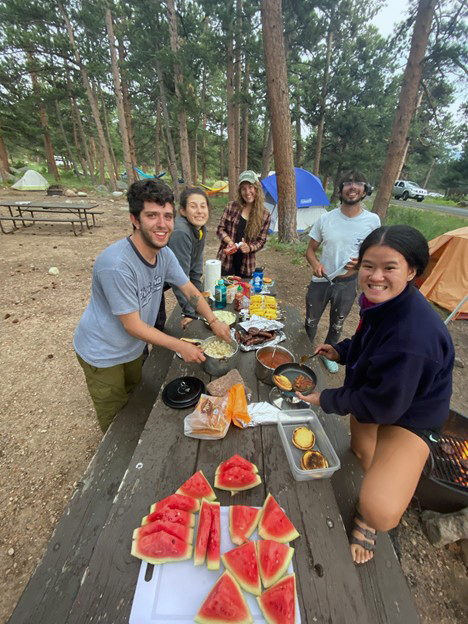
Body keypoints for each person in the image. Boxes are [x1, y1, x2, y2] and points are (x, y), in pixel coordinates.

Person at [297, 225, 454, 564]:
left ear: (411, 271)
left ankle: (371, 513)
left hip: (412, 415)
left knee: (380, 509)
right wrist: (342, 351)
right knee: (360, 450)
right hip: (380, 392)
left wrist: (327, 399)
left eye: (389, 268)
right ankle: (380, 471)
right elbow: (371, 345)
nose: (375, 276)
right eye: (369, 265)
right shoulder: (380, 301)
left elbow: (385, 406)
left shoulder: (415, 337)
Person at [73, 178, 231, 433]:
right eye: (152, 215)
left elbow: (189, 289)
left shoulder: (163, 254)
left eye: (167, 216)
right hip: (102, 352)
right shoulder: (117, 264)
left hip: (132, 349)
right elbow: (133, 325)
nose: (162, 224)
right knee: (116, 422)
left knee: (135, 401)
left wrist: (213, 320)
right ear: (135, 219)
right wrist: (180, 346)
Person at [305, 169, 380, 373]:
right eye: (347, 183)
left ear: (365, 191)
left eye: (358, 184)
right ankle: (304, 350)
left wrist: (361, 263)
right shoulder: (326, 219)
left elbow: (375, 256)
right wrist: (315, 265)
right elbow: (310, 251)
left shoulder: (372, 221)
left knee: (337, 324)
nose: (352, 187)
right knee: (311, 321)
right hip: (321, 281)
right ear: (340, 191)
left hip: (348, 283)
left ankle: (329, 354)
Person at [154, 187, 210, 332]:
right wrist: (190, 312)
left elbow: (196, 270)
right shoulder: (181, 232)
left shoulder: (200, 230)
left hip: (164, 279)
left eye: (203, 206)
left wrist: (200, 302)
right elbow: (179, 278)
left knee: (158, 324)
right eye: (193, 206)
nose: (199, 211)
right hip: (149, 281)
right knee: (153, 325)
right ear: (183, 211)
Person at [216, 170, 271, 279]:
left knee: (244, 294)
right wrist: (230, 242)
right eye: (243, 188)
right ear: (240, 191)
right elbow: (220, 229)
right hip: (226, 261)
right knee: (223, 292)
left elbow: (261, 241)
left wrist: (250, 247)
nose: (247, 192)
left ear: (256, 188)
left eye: (250, 187)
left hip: (246, 265)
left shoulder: (265, 214)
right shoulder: (231, 206)